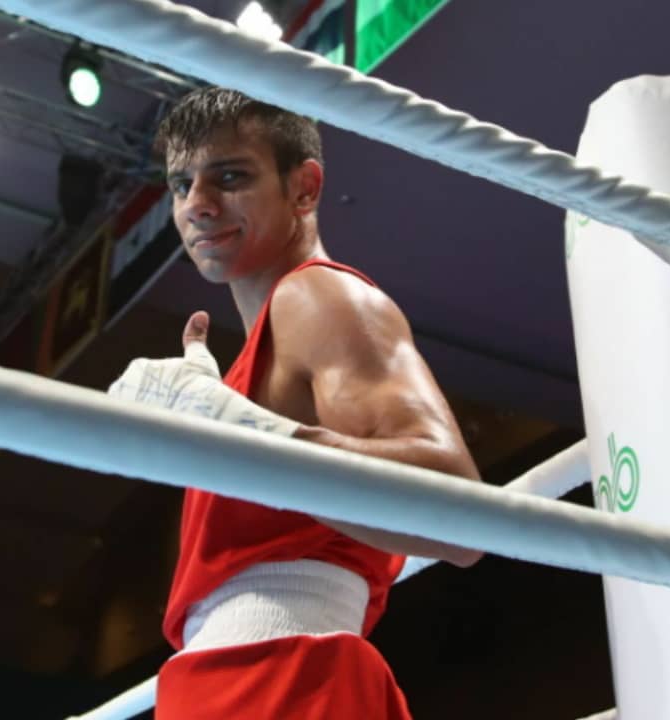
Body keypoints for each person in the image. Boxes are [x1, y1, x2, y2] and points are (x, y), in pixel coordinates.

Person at [108, 87, 482, 719]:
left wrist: (229, 425)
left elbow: (462, 516)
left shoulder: (320, 299)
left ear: (304, 188)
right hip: (216, 681)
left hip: (288, 678)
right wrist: (218, 418)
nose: (198, 204)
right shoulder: (249, 363)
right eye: (181, 184)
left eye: (230, 177)